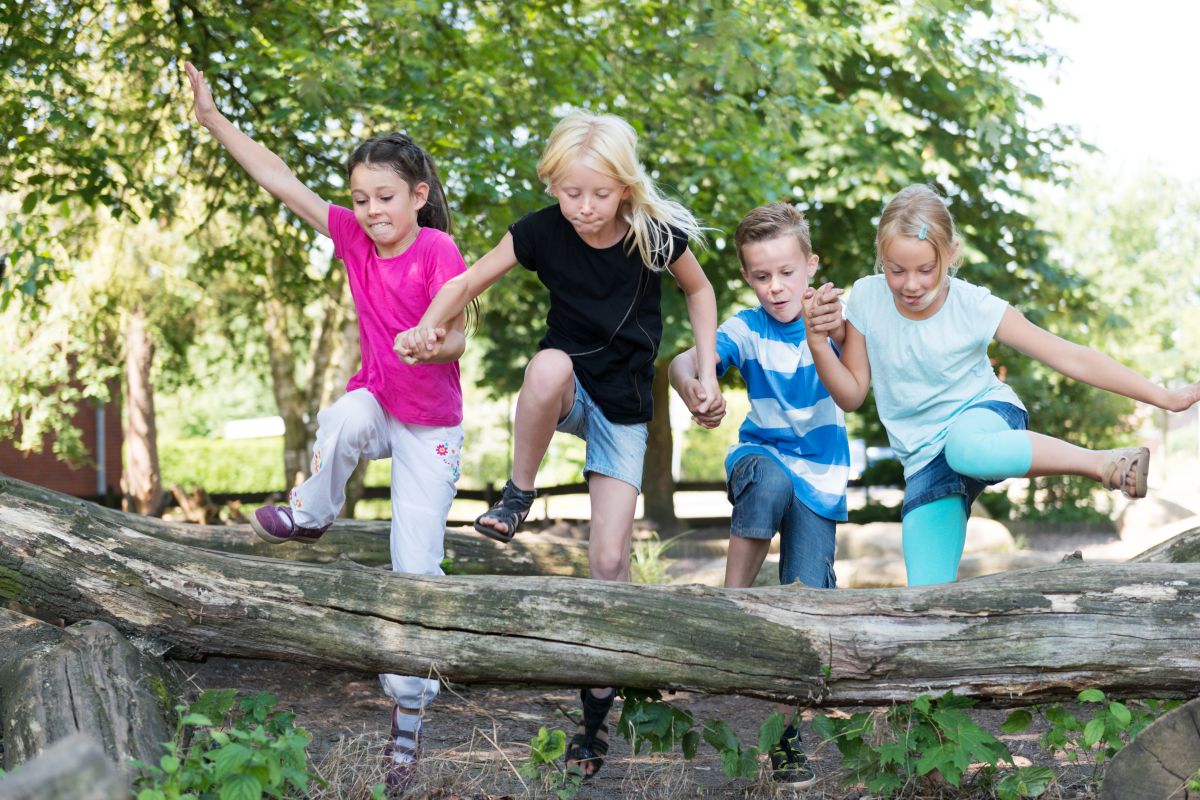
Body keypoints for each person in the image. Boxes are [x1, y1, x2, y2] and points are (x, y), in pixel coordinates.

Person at [396, 109, 722, 778]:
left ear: (625, 188)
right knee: (545, 363)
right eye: (571, 193)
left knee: (608, 564)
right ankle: (518, 494)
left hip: (625, 409)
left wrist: (707, 373)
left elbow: (702, 290)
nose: (584, 208)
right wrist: (430, 326)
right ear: (554, 186)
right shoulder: (542, 231)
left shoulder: (656, 236)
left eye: (599, 194)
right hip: (570, 389)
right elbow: (464, 283)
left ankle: (596, 720)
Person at [185, 61, 468, 792]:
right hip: (378, 403)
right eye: (360, 198)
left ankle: (406, 731)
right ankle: (313, 513)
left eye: (384, 197)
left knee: (414, 572)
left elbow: (460, 333)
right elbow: (280, 179)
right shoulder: (350, 238)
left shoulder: (437, 251)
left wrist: (436, 340)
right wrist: (215, 120)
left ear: (417, 195)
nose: (370, 210)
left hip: (430, 425)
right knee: (341, 416)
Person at [803, 183, 1200, 587]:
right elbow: (851, 395)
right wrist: (818, 341)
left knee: (966, 448)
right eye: (896, 270)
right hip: (924, 459)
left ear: (951, 254)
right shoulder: (867, 298)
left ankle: (1103, 463)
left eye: (926, 269)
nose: (911, 284)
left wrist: (1164, 397)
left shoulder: (973, 306)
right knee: (924, 596)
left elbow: (1068, 355)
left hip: (984, 418)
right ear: (880, 260)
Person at [670, 202, 848, 788]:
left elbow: (857, 361)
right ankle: (730, 610)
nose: (776, 287)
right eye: (762, 275)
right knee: (768, 478)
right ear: (748, 277)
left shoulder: (835, 320)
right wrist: (698, 387)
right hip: (762, 458)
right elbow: (683, 362)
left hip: (821, 479)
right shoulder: (746, 328)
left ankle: (787, 739)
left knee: (804, 605)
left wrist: (838, 324)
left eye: (787, 273)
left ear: (810, 266)